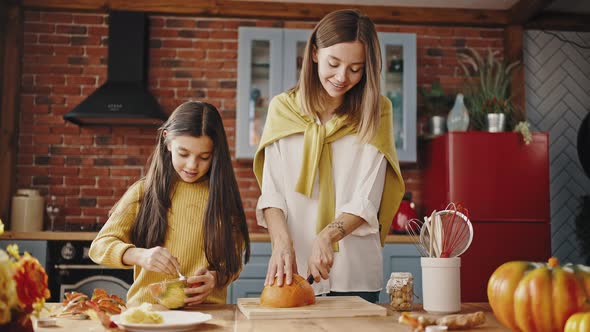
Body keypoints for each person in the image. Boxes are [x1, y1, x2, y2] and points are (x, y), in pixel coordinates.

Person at [253, 9, 405, 303]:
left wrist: (327, 236)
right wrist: (282, 244)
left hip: (354, 269)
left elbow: (367, 198)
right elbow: (272, 193)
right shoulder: (282, 109)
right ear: (314, 54)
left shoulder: (376, 112)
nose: (341, 77)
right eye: (333, 63)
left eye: (355, 68)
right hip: (293, 271)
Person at [89, 101, 250, 307]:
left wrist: (215, 279)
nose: (192, 165)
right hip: (148, 316)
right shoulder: (144, 192)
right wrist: (140, 255)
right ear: (167, 141)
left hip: (209, 317)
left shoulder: (223, 200)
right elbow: (99, 246)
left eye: (204, 157)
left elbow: (232, 264)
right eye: (183, 154)